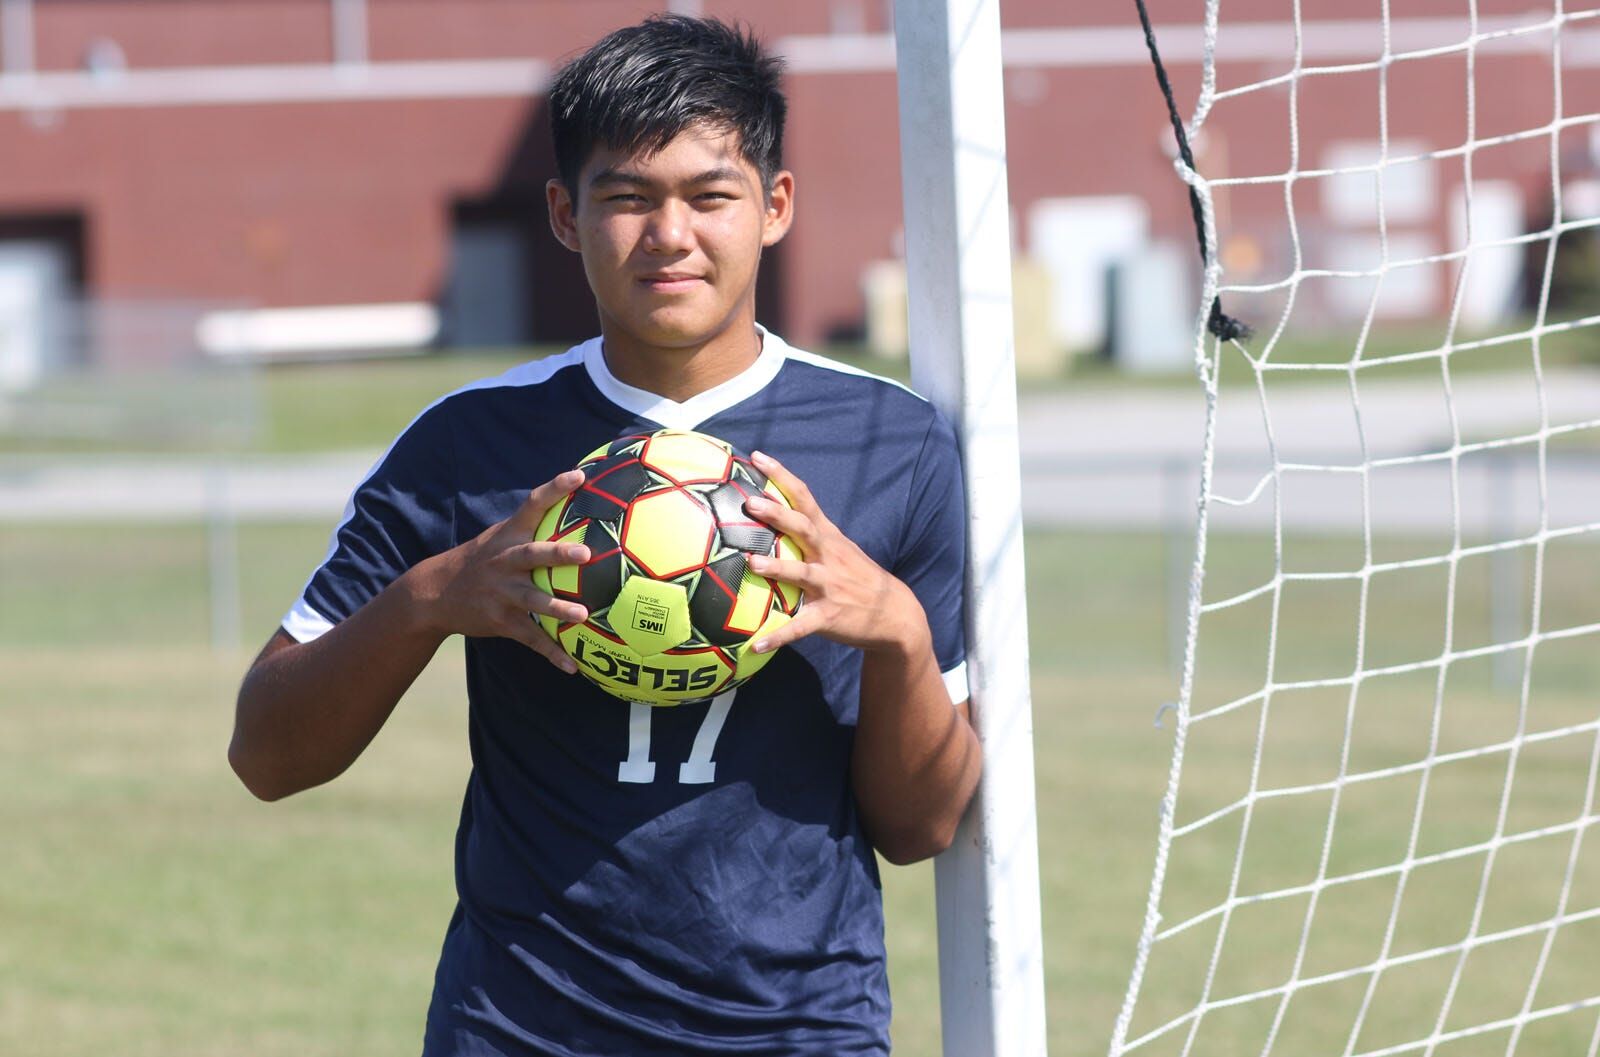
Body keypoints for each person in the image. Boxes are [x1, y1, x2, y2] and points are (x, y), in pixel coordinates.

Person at [230, 14, 981, 1055]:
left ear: (775, 207)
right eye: (627, 197)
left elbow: (922, 826)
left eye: (709, 195)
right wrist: (430, 603)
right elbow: (265, 754)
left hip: (797, 1031)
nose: (669, 234)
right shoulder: (470, 442)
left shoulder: (890, 440)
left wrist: (892, 627)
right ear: (563, 215)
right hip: (519, 1028)